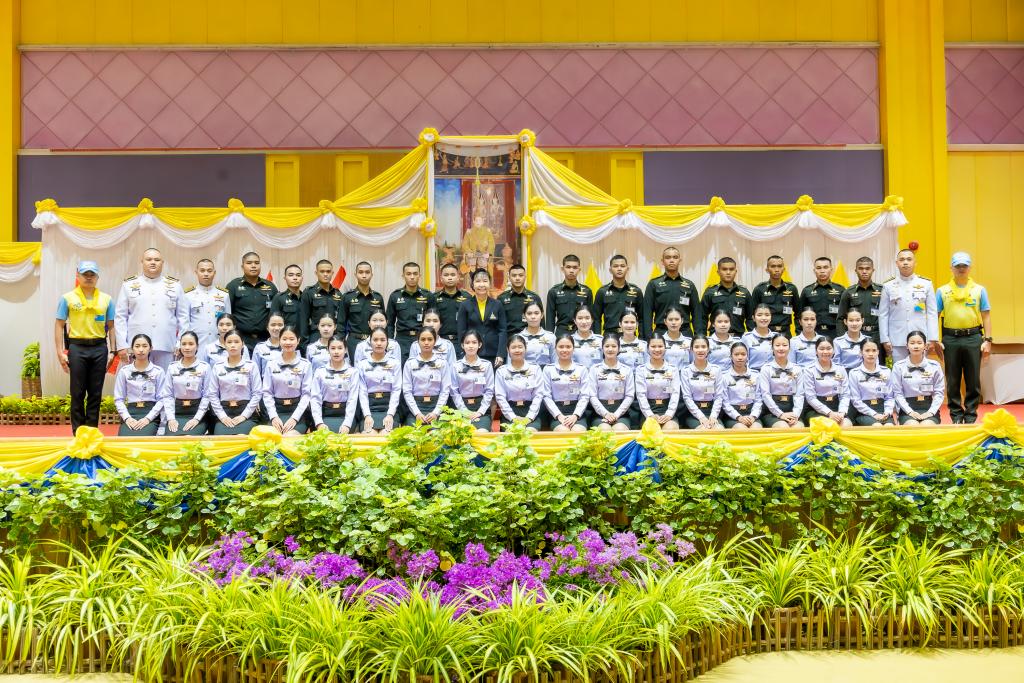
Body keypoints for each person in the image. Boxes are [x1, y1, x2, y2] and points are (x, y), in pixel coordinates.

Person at [55, 260, 116, 433]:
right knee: (77, 392)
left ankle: (91, 431)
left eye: (92, 274)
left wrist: (113, 351)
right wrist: (60, 352)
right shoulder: (67, 298)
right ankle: (78, 432)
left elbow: (111, 326)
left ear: (97, 277)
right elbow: (59, 325)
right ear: (78, 275)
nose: (89, 277)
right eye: (85, 274)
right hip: (77, 348)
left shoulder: (107, 299)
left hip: (99, 348)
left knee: (95, 393)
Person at [936, 251, 993, 424]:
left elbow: (986, 316)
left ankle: (970, 416)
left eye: (964, 266)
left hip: (973, 338)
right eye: (958, 266)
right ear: (951, 268)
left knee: (973, 379)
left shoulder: (979, 290)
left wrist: (988, 340)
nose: (961, 269)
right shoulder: (942, 291)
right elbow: (934, 316)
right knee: (952, 379)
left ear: (970, 268)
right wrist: (935, 340)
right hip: (950, 339)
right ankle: (955, 415)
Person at [114, 248, 189, 370]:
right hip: (136, 347)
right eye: (149, 259)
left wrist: (181, 342)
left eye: (157, 260)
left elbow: (183, 317)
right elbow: (120, 317)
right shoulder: (129, 285)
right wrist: (122, 345)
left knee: (165, 380)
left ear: (162, 263)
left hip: (166, 345)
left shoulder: (175, 286)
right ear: (142, 262)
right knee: (136, 380)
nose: (153, 262)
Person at [879, 248, 938, 362]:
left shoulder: (926, 284)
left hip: (920, 338)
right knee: (898, 369)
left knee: (920, 368)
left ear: (915, 262)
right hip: (896, 339)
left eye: (909, 259)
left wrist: (932, 338)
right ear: (897, 263)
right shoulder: (888, 285)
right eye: (902, 260)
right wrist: (885, 339)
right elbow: (883, 314)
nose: (905, 262)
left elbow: (932, 313)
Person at [205, 329, 262, 435]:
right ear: (224, 345)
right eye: (229, 342)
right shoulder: (218, 367)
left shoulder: (251, 366)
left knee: (242, 438)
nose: (233, 345)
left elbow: (257, 393)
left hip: (246, 412)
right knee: (222, 439)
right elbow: (212, 394)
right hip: (224, 413)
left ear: (242, 344)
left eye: (236, 342)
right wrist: (222, 417)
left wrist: (244, 416)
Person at [262, 326, 312, 436]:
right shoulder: (271, 364)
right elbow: (267, 393)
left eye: (291, 339)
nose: (288, 342)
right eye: (284, 339)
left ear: (298, 341)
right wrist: (273, 417)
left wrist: (294, 418)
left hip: (298, 413)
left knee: (289, 437)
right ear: (279, 341)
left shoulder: (305, 365)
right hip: (276, 412)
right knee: (272, 438)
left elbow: (306, 394)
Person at [113, 333, 165, 436]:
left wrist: (148, 418)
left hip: (150, 414)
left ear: (151, 348)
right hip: (130, 413)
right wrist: (127, 418)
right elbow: (118, 399)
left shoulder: (158, 371)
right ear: (132, 349)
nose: (141, 350)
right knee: (124, 441)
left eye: (145, 346)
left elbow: (162, 399)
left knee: (144, 439)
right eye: (137, 346)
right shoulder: (124, 371)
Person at [643, 246, 701, 338]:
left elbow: (697, 313)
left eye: (675, 257)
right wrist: (649, 337)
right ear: (662, 261)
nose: (671, 260)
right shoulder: (654, 284)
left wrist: (698, 337)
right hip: (661, 332)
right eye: (668, 257)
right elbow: (647, 313)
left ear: (680, 260)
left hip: (685, 332)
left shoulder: (689, 285)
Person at [225, 252, 278, 352]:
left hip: (266, 339)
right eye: (249, 263)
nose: (253, 266)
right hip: (241, 340)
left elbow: (277, 312)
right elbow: (227, 313)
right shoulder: (233, 286)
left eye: (257, 263)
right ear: (242, 266)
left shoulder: (270, 286)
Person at [890, 330, 945, 425]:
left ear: (925, 346)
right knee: (912, 425)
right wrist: (909, 411)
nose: (916, 346)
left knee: (927, 425)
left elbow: (939, 392)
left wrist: (931, 412)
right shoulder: (898, 366)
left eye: (919, 343)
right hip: (907, 408)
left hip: (928, 407)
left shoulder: (934, 366)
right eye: (912, 343)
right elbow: (897, 393)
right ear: (907, 346)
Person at [162, 331, 211, 436]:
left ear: (197, 346)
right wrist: (171, 419)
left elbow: (207, 395)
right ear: (180, 346)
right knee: (172, 439)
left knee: (189, 438)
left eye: (191, 344)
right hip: (177, 413)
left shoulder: (205, 367)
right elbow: (167, 395)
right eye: (184, 344)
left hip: (197, 413)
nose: (187, 347)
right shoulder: (172, 367)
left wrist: (197, 418)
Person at [402, 327, 453, 426]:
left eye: (430, 339)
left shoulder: (442, 363)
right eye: (423, 339)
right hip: (415, 409)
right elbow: (407, 391)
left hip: (437, 408)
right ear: (418, 342)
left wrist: (436, 413)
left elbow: (445, 391)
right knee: (412, 434)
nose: (426, 343)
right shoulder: (410, 364)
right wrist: (417, 413)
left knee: (439, 434)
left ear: (435, 341)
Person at [310, 337, 362, 434]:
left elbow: (352, 400)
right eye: (333, 348)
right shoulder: (320, 372)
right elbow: (315, 399)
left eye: (340, 348)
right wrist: (319, 423)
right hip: (324, 415)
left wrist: (347, 424)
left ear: (345, 350)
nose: (336, 352)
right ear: (328, 350)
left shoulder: (353, 372)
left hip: (345, 416)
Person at [494, 336, 546, 431]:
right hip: (509, 412)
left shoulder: (535, 369)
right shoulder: (501, 371)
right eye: (513, 347)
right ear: (508, 350)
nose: (517, 350)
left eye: (520, 347)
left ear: (525, 348)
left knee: (531, 432)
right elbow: (500, 397)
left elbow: (538, 395)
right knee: (512, 434)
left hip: (531, 412)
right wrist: (513, 417)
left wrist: (529, 417)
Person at [458, 269, 508, 366]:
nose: (481, 285)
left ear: (489, 284)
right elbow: (462, 332)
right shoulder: (465, 305)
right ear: (472, 284)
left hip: (494, 354)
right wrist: (463, 353)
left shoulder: (497, 304)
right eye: (478, 281)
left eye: (485, 281)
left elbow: (502, 331)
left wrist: (501, 354)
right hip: (472, 353)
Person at [542, 334, 592, 432]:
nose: (564, 350)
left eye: (568, 347)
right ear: (555, 349)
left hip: (577, 411)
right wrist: (559, 415)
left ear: (573, 349)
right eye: (561, 347)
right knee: (563, 431)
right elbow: (546, 396)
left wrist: (575, 415)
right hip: (557, 412)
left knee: (578, 431)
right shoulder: (548, 369)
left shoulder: (582, 369)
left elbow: (585, 395)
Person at [357, 327, 402, 434]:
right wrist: (367, 415)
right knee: (369, 435)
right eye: (375, 340)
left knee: (386, 434)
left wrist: (390, 414)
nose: (379, 343)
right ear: (370, 342)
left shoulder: (395, 363)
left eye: (382, 340)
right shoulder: (362, 364)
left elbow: (396, 390)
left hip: (389, 407)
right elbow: (362, 392)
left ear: (387, 342)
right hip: (369, 408)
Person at [837, 256, 883, 360]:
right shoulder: (848, 292)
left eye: (867, 268)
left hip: (877, 335)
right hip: (855, 335)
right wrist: (843, 339)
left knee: (877, 364)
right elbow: (840, 318)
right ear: (856, 271)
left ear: (873, 270)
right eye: (861, 268)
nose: (864, 271)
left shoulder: (882, 291)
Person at [387, 262, 434, 362]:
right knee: (402, 367)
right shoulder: (395, 296)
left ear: (419, 275)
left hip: (422, 339)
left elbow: (434, 321)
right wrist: (390, 342)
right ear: (403, 276)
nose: (412, 277)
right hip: (402, 340)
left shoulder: (428, 295)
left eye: (415, 274)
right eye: (408, 274)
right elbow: (389, 323)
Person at [339, 261, 386, 361]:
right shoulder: (347, 297)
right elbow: (341, 323)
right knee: (355, 368)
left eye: (367, 272)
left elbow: (383, 322)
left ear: (371, 275)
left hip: (374, 341)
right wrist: (340, 344)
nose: (364, 275)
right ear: (355, 274)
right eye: (360, 272)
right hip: (354, 341)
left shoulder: (378, 297)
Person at [801, 338, 852, 427]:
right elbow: (811, 398)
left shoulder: (840, 369)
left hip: (837, 407)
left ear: (833, 350)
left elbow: (845, 394)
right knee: (828, 425)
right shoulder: (809, 370)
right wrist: (829, 413)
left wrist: (842, 412)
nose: (825, 352)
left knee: (846, 425)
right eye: (821, 349)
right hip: (815, 409)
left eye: (829, 348)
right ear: (816, 351)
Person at [451, 330, 494, 433]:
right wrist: (464, 411)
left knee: (481, 433)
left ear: (480, 345)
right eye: (467, 343)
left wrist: (480, 411)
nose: (471, 346)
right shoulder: (455, 366)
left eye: (474, 342)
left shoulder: (486, 365)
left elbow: (489, 391)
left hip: (481, 408)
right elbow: (454, 391)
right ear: (462, 345)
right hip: (461, 407)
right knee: (461, 435)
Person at [635, 334, 681, 430]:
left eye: (660, 346)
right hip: (648, 410)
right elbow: (641, 395)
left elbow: (675, 393)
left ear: (665, 348)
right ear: (647, 349)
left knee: (670, 428)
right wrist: (649, 414)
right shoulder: (641, 370)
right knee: (652, 429)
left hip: (667, 409)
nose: (657, 349)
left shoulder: (673, 369)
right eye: (653, 346)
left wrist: (669, 414)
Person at [588, 335, 635, 431]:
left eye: (614, 346)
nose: (610, 349)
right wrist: (605, 414)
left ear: (619, 348)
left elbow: (629, 396)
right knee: (604, 430)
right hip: (599, 413)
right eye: (607, 346)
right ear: (602, 348)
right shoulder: (594, 369)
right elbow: (592, 395)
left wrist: (616, 414)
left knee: (620, 429)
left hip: (621, 413)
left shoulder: (627, 370)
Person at [758, 335, 805, 428]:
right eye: (777, 345)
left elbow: (799, 395)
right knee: (783, 427)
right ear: (772, 348)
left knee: (798, 427)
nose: (781, 348)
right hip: (771, 411)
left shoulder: (797, 369)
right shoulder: (766, 369)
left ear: (789, 348)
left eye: (784, 345)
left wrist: (795, 414)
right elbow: (765, 395)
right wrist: (780, 414)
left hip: (792, 409)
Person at [184, 258, 231, 350]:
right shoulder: (188, 295)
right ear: (196, 272)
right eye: (202, 271)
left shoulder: (224, 295)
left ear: (214, 273)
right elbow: (185, 323)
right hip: (196, 343)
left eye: (209, 271)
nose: (206, 274)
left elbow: (229, 322)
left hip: (219, 343)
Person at [848, 339, 895, 427]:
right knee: (877, 426)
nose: (871, 354)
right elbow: (856, 400)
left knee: (889, 426)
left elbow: (890, 397)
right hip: (864, 412)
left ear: (878, 352)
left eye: (874, 350)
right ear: (861, 352)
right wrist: (874, 414)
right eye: (867, 350)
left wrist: (888, 412)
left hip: (883, 410)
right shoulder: (854, 373)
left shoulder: (886, 371)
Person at [592, 255, 643, 335]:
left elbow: (642, 318)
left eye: (622, 266)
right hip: (609, 336)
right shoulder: (602, 292)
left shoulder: (636, 291)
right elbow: (596, 318)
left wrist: (641, 337)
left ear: (627, 269)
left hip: (630, 335)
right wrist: (597, 338)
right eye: (615, 266)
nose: (619, 269)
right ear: (610, 270)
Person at [751, 255, 800, 336]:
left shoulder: (791, 288)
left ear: (784, 269)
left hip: (786, 332)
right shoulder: (759, 289)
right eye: (773, 266)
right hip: (766, 332)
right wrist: (756, 334)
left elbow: (798, 314)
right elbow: (752, 314)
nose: (777, 269)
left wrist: (798, 333)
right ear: (767, 269)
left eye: (780, 266)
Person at [700, 257, 751, 336]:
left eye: (731, 269)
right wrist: (702, 337)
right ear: (718, 272)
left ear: (736, 271)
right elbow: (702, 317)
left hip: (738, 337)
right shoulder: (710, 292)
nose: (728, 272)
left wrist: (752, 337)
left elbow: (750, 318)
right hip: (716, 337)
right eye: (724, 269)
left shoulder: (744, 293)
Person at [679, 336, 722, 429]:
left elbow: (719, 396)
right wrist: (701, 417)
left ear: (708, 349)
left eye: (703, 347)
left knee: (719, 430)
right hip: (693, 413)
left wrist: (714, 415)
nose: (700, 350)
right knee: (704, 430)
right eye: (697, 347)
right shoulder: (686, 371)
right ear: (691, 349)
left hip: (712, 412)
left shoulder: (716, 370)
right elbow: (687, 397)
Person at [716, 343, 762, 429]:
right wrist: (738, 417)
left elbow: (758, 400)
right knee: (742, 429)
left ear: (747, 356)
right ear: (731, 356)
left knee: (756, 429)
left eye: (743, 354)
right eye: (736, 354)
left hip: (751, 413)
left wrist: (753, 416)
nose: (740, 357)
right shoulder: (724, 377)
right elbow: (725, 403)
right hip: (732, 416)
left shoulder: (755, 375)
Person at [546, 254, 593, 335]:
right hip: (561, 332)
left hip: (581, 332)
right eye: (568, 267)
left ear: (579, 269)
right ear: (562, 269)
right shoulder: (554, 291)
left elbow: (590, 316)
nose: (571, 270)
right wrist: (549, 337)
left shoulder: (587, 291)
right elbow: (550, 319)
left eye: (575, 267)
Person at [800, 257, 844, 338]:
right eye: (819, 268)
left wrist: (842, 334)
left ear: (831, 269)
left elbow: (845, 314)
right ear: (814, 270)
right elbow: (800, 314)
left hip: (835, 332)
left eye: (825, 267)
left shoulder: (840, 290)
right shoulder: (807, 291)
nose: (822, 271)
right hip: (813, 332)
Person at [297, 260, 340, 344]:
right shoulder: (309, 292)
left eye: (328, 271)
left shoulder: (338, 293)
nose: (325, 274)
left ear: (332, 273)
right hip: (316, 336)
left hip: (334, 337)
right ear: (316, 273)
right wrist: (305, 343)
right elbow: (303, 320)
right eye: (322, 271)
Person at [498, 263, 542, 337]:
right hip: (508, 338)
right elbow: (498, 324)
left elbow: (541, 322)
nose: (517, 278)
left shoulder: (534, 297)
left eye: (521, 275)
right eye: (514, 275)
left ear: (525, 277)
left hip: (530, 338)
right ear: (509, 277)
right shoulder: (501, 298)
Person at [434, 263, 470, 352]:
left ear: (458, 277)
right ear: (441, 278)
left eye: (453, 275)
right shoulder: (434, 298)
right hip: (440, 341)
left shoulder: (467, 297)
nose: (450, 278)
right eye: (446, 275)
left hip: (461, 341)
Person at [741, 304, 775, 373]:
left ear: (771, 317)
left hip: (773, 375)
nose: (763, 318)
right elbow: (743, 361)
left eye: (767, 315)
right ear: (753, 318)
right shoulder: (747, 338)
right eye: (759, 315)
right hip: (754, 375)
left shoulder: (777, 337)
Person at [520, 302, 555, 366]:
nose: (533, 317)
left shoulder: (551, 337)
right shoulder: (518, 338)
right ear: (524, 316)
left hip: (545, 372)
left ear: (542, 315)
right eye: (529, 313)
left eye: (536, 313)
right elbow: (512, 365)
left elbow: (555, 363)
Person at [270, 264, 303, 331]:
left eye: (298, 275)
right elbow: (274, 323)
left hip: (305, 337)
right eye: (291, 275)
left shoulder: (306, 297)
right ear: (285, 278)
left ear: (302, 278)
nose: (295, 278)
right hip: (286, 336)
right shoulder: (279, 298)